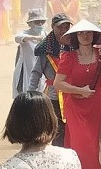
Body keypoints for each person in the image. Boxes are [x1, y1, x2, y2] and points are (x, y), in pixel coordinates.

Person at [53, 19, 101, 169]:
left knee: (91, 144)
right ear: (75, 36)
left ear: (94, 35)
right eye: (81, 33)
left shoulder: (100, 54)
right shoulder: (68, 57)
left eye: (88, 32)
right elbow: (58, 83)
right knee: (79, 143)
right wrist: (80, 91)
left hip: (94, 105)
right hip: (75, 106)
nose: (85, 36)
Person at [29, 14, 73, 148]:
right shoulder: (45, 50)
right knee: (55, 128)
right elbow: (36, 72)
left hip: (72, 94)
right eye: (60, 27)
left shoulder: (75, 47)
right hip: (53, 95)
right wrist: (31, 93)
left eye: (66, 27)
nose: (63, 30)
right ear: (53, 27)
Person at [12, 9, 47, 97]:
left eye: (42, 22)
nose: (40, 24)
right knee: (25, 94)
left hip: (40, 70)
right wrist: (35, 38)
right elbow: (17, 38)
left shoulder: (45, 34)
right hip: (26, 69)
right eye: (37, 22)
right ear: (30, 23)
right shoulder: (24, 34)